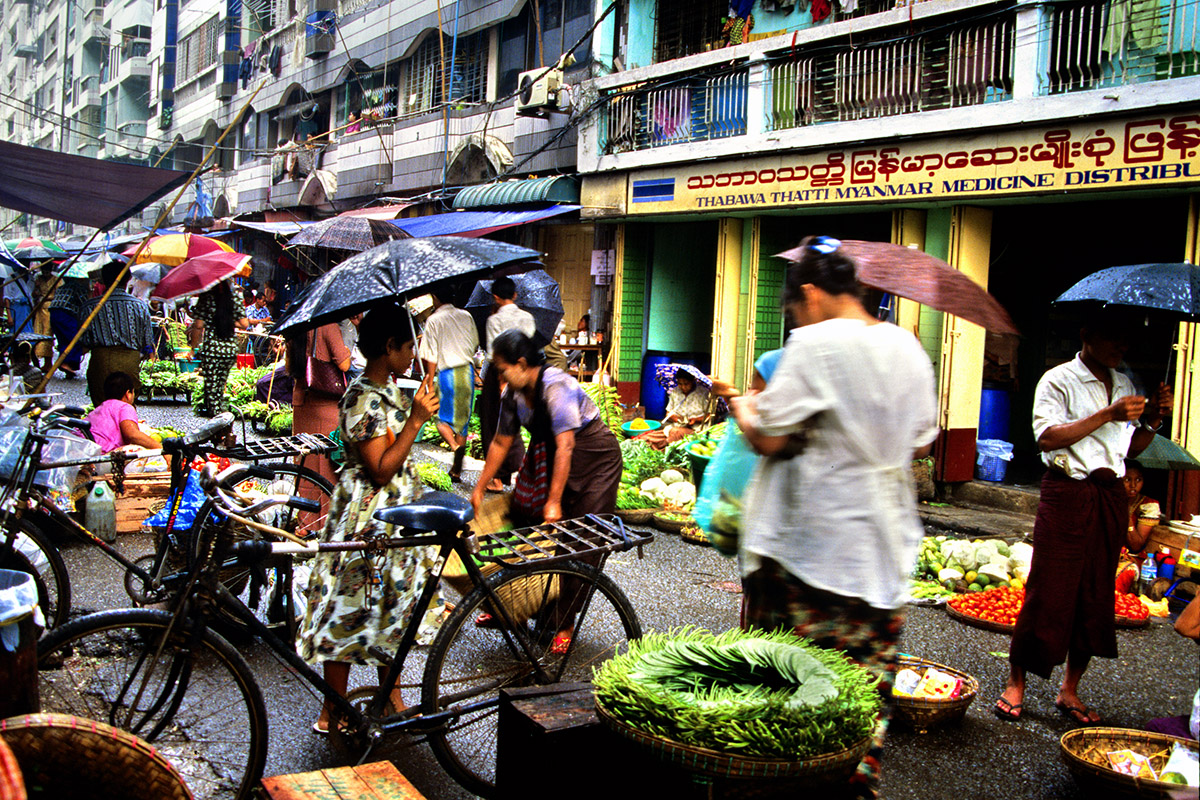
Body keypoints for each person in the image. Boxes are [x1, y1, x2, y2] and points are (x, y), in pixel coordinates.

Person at [729, 236, 938, 800]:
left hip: (808, 555)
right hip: (881, 558)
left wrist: (743, 407)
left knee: (789, 703)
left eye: (794, 307)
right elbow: (920, 442)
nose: (796, 317)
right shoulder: (908, 348)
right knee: (858, 710)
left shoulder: (814, 342)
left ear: (813, 294)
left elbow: (769, 439)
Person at [995, 310, 1172, 726]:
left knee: (1095, 594)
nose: (1121, 348)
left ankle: (1069, 690)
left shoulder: (1125, 383)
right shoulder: (1058, 379)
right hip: (1068, 492)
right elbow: (1048, 436)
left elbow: (1132, 448)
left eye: (1126, 343)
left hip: (1108, 494)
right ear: (1086, 335)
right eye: (1114, 339)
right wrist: (1108, 414)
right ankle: (1016, 682)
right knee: (1048, 588)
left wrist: (1154, 418)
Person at [297, 308, 445, 735]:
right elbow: (379, 468)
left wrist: (415, 413)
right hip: (367, 519)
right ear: (389, 347)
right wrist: (415, 421)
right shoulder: (363, 397)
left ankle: (390, 698)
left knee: (389, 609)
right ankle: (333, 709)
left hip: (393, 518)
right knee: (347, 609)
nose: (413, 352)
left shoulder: (388, 388)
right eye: (408, 344)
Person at [471, 329, 623, 654]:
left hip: (594, 459)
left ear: (522, 363)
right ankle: (517, 608)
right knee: (527, 526)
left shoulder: (558, 386)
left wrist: (554, 502)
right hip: (554, 457)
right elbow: (501, 441)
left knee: (581, 539)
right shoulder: (512, 394)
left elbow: (567, 444)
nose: (498, 375)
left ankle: (564, 622)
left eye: (502, 368)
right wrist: (480, 486)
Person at [478, 276, 535, 493]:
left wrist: (502, 382)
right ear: (515, 295)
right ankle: (516, 470)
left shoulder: (494, 320)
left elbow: (494, 354)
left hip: (500, 373)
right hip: (524, 370)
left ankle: (498, 477)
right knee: (514, 420)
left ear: (495, 297)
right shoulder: (528, 317)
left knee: (493, 422)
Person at [420, 285, 479, 481]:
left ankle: (455, 448)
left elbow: (430, 355)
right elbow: (474, 344)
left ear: (435, 298)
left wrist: (429, 381)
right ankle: (456, 470)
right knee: (462, 424)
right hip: (467, 372)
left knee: (439, 418)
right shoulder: (466, 316)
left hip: (447, 374)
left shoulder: (434, 319)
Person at [81, 261, 155, 407]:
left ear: (102, 279)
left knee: (102, 406)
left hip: (100, 360)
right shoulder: (139, 306)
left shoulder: (90, 306)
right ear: (128, 279)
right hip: (130, 361)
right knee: (126, 406)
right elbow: (147, 339)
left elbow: (84, 342)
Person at [288, 322, 352, 486]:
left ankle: (304, 509)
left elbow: (289, 365)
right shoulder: (327, 325)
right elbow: (344, 364)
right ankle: (322, 511)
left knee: (304, 463)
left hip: (301, 402)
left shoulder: (295, 326)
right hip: (325, 404)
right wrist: (347, 350)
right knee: (324, 471)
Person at [189, 280, 249, 417]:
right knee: (221, 386)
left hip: (212, 350)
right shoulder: (235, 297)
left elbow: (198, 325)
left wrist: (193, 348)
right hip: (229, 351)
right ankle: (222, 418)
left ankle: (216, 419)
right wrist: (227, 320)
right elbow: (244, 324)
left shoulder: (206, 297)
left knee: (211, 389)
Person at [638, 367, 711, 450]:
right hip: (676, 427)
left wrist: (695, 419)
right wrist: (677, 419)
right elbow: (668, 413)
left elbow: (709, 416)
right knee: (648, 437)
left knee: (676, 432)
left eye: (686, 384)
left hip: (696, 431)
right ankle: (659, 445)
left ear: (693, 381)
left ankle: (661, 449)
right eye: (680, 383)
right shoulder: (675, 391)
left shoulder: (703, 393)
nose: (683, 387)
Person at [87, 371, 159, 453]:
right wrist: (160, 448)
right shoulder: (125, 407)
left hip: (85, 447)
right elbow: (132, 435)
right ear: (128, 394)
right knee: (140, 451)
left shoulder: (101, 407)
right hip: (102, 453)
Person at [48, 274, 89, 378]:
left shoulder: (61, 287)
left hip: (54, 313)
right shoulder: (77, 287)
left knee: (63, 340)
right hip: (65, 314)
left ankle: (67, 364)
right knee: (75, 339)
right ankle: (65, 363)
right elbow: (85, 303)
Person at [32, 262, 58, 372]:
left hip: (50, 309)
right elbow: (34, 294)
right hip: (39, 309)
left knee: (47, 334)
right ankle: (37, 360)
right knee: (37, 333)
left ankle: (48, 363)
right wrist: (37, 289)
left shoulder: (57, 279)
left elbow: (58, 294)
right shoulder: (38, 279)